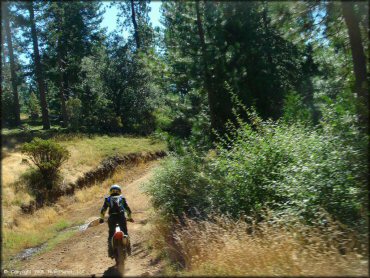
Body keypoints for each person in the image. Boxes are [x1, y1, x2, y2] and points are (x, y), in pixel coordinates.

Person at [100, 184, 133, 258]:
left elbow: (103, 210)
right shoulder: (122, 198)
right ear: (119, 191)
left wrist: (101, 219)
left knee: (111, 234)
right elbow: (128, 209)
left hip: (112, 218)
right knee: (125, 232)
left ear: (110, 191)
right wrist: (130, 217)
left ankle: (111, 251)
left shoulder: (108, 199)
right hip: (121, 217)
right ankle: (129, 249)